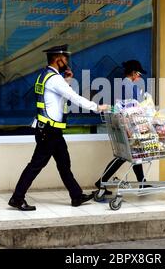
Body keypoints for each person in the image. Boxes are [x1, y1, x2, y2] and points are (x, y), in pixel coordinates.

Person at [9, 44, 109, 211]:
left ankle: (76, 196)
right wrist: (97, 107)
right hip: (49, 131)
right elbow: (73, 97)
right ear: (58, 60)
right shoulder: (54, 79)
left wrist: (67, 81)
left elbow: (58, 97)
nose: (68, 61)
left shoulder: (45, 76)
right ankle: (17, 198)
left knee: (64, 163)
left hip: (50, 130)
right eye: (65, 59)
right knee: (36, 165)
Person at [94, 60, 148, 195]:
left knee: (133, 153)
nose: (140, 77)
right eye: (139, 74)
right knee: (125, 155)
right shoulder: (129, 87)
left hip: (122, 124)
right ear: (134, 73)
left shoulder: (123, 84)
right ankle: (102, 180)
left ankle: (142, 182)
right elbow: (132, 108)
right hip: (127, 125)